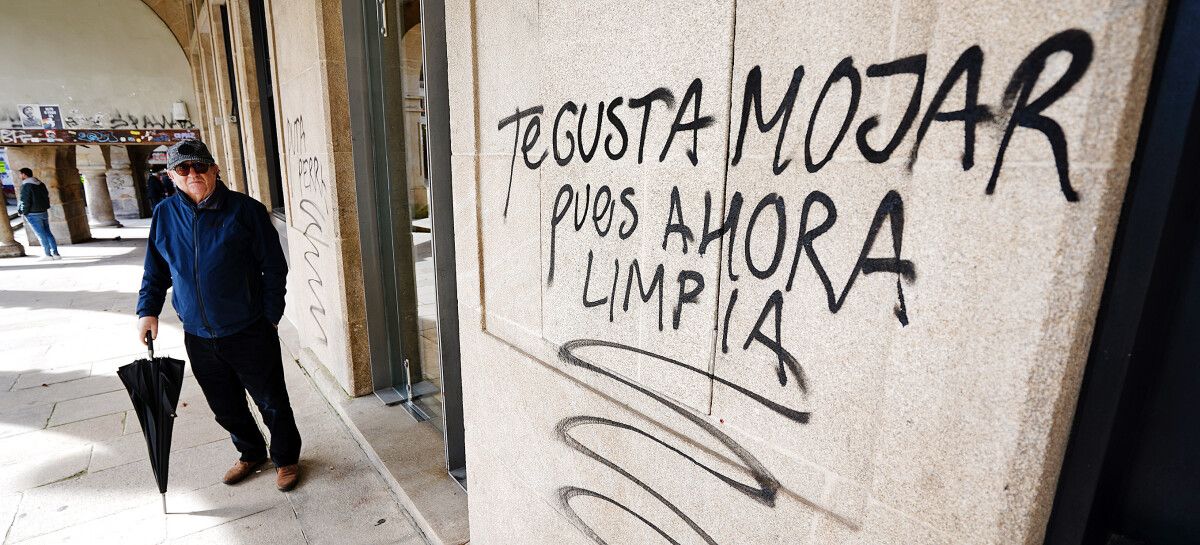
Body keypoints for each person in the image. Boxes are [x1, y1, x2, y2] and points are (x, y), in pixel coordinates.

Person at [136, 138, 301, 491]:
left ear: (214, 169)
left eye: (199, 166)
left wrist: (270, 316)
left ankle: (286, 459)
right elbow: (156, 270)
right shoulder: (165, 215)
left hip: (249, 329)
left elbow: (273, 268)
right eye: (183, 168)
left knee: (271, 401)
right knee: (224, 406)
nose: (192, 173)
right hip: (198, 334)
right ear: (171, 176)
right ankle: (251, 452)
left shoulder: (247, 211)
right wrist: (147, 311)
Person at [16, 168, 61, 261]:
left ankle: (47, 255)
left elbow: (25, 201)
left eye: (20, 174)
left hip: (32, 213)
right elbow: (46, 196)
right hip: (43, 211)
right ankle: (55, 254)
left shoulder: (26, 186)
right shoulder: (40, 183)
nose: (19, 176)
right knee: (48, 233)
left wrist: (23, 211)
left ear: (24, 174)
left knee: (41, 235)